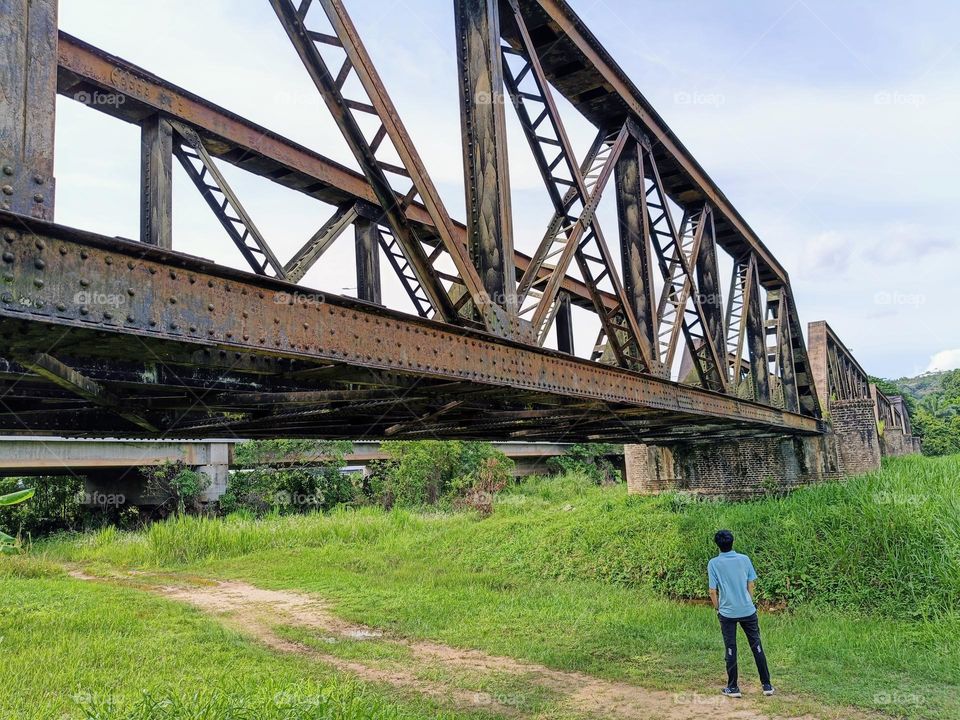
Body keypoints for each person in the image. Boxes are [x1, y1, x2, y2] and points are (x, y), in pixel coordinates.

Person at [707, 529, 774, 698]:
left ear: (717, 544)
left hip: (727, 612)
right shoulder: (744, 559)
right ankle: (767, 685)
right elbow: (750, 584)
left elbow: (712, 591)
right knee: (756, 646)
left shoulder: (714, 563)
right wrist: (748, 601)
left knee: (731, 648)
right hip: (747, 609)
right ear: (732, 542)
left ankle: (733, 687)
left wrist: (718, 608)